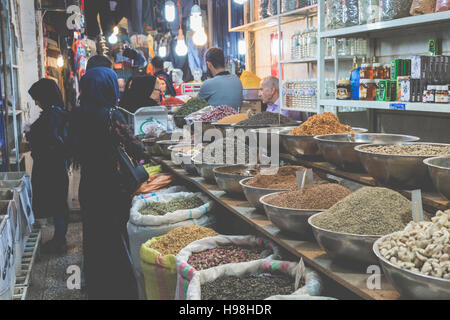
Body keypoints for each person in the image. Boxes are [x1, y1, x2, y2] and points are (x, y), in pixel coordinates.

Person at [70, 66, 144, 299]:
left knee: (94, 236)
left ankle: (98, 288)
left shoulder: (76, 114)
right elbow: (136, 147)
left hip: (89, 185)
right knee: (115, 237)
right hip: (113, 186)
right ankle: (120, 289)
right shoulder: (112, 114)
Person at [26, 79, 70, 254]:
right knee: (58, 203)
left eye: (37, 98)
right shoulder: (58, 113)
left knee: (57, 204)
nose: (36, 102)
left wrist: (30, 133)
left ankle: (59, 241)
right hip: (57, 166)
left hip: (50, 168)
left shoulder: (51, 116)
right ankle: (60, 239)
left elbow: (45, 140)